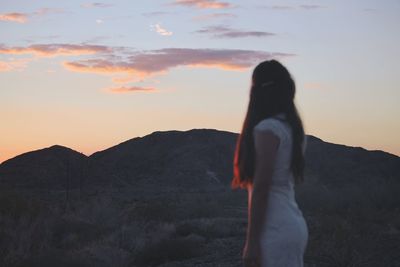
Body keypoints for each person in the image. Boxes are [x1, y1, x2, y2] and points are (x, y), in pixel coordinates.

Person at [231, 60, 308, 267]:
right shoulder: (291, 130)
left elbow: (262, 187)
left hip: (274, 230)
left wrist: (252, 242)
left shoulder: (268, 129)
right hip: (291, 223)